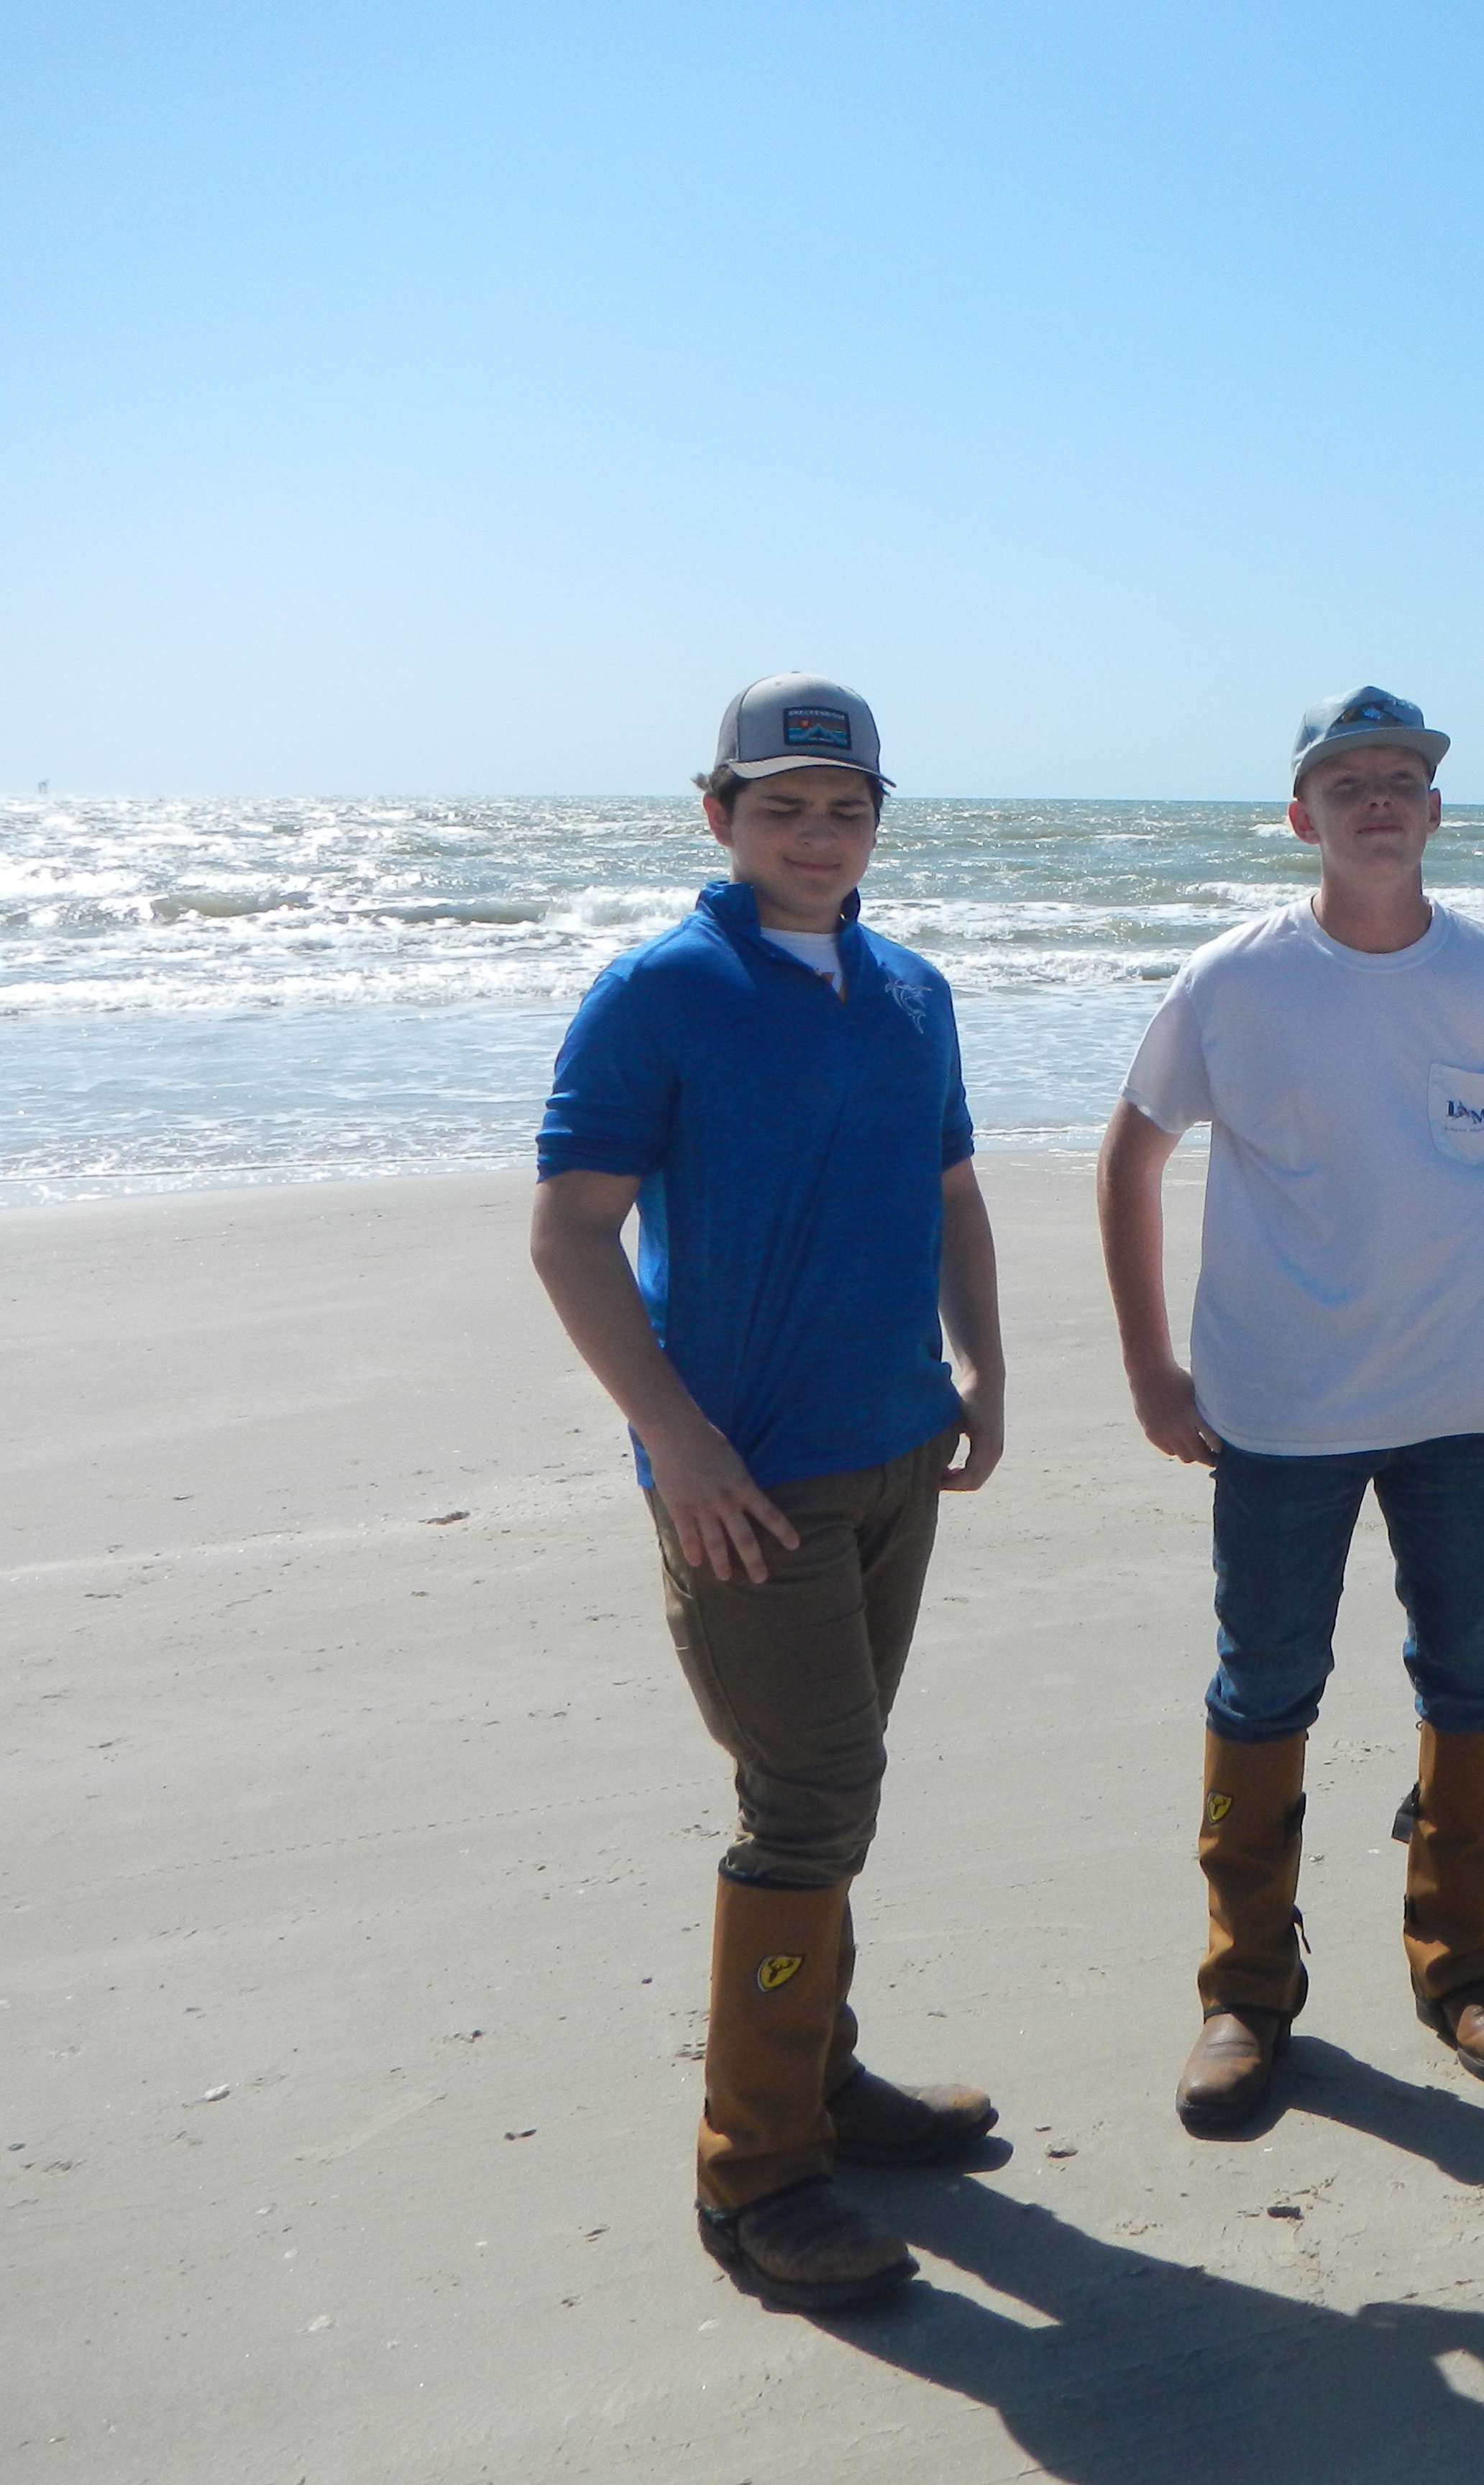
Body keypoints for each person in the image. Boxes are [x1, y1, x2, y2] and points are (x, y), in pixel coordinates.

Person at [531, 674, 1007, 2313]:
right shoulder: (660, 993)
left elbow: (953, 1189)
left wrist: (984, 1368)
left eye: (847, 808)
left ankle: (821, 2080)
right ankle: (759, 2171)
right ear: (717, 812)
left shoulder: (912, 992)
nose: (816, 834)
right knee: (805, 1800)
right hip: (744, 1481)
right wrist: (683, 1448)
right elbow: (572, 1233)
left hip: (896, 1450)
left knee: (842, 1785)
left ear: (880, 822)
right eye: (782, 805)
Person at [1101, 687, 1484, 2131]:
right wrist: (1148, 1365)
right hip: (1274, 1406)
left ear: (1435, 813)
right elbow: (1130, 1157)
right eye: (1347, 780)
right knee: (1263, 1686)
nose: (1378, 799)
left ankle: (1468, 1971)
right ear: (1299, 814)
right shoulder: (1233, 982)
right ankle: (1243, 1992)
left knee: (1474, 1678)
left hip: (1461, 1402)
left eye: (1402, 779)